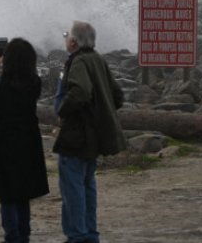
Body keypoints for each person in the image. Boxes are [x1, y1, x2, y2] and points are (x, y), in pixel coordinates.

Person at [53, 21, 126, 243]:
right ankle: (89, 234)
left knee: (73, 187)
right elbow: (118, 96)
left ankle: (77, 235)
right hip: (93, 135)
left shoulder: (79, 62)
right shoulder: (98, 59)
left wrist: (63, 112)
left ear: (74, 41)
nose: (65, 38)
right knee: (86, 185)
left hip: (77, 135)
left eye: (67, 35)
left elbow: (81, 92)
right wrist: (100, 113)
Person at [0, 38, 49, 243]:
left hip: (5, 142)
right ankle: (24, 235)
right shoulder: (35, 82)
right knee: (23, 194)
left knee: (8, 194)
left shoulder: (1, 82)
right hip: (29, 141)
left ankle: (12, 236)